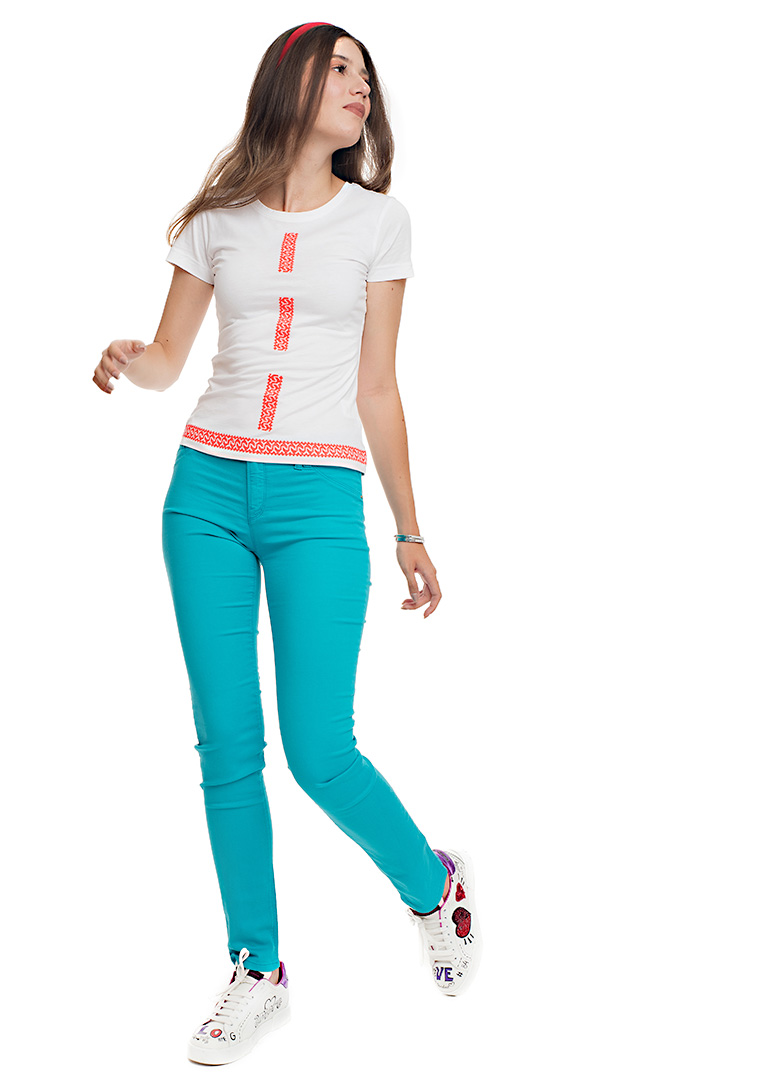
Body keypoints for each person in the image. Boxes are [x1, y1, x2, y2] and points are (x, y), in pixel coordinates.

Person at [91, 22, 482, 1066]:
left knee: (318, 749)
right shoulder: (213, 220)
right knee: (226, 744)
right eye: (338, 67)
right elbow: (171, 358)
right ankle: (256, 970)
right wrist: (132, 359)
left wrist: (408, 527)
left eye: (366, 74)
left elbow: (378, 386)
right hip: (205, 493)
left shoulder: (381, 223)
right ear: (289, 83)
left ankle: (432, 885)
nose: (361, 86)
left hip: (318, 498)